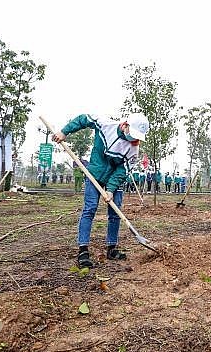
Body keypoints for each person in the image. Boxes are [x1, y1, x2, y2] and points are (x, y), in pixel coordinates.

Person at [52, 112, 149, 268]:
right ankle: (83, 250)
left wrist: (110, 189)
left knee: (114, 212)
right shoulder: (105, 125)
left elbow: (122, 171)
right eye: (133, 134)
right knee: (89, 210)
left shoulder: (133, 149)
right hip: (94, 175)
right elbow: (83, 119)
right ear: (125, 125)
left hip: (114, 180)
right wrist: (64, 132)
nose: (134, 138)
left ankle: (112, 248)